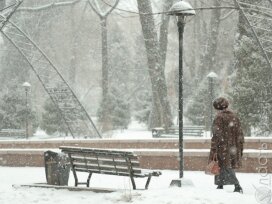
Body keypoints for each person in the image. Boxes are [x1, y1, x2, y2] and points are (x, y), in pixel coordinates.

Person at [208, 97, 244, 193]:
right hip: (233, 146)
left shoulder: (219, 117)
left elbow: (217, 134)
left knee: (224, 165)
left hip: (223, 146)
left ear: (217, 107)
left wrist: (214, 147)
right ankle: (220, 185)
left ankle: (237, 185)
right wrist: (239, 146)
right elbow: (240, 133)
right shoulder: (234, 116)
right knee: (224, 165)